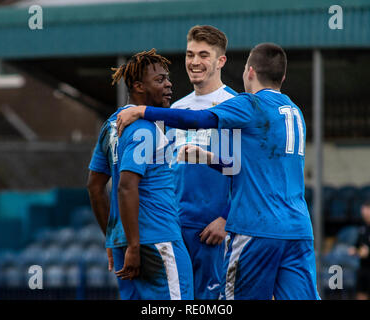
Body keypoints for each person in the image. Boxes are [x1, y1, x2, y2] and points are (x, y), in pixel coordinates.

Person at [115, 43, 321, 300]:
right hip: (298, 230)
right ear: (283, 77)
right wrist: (210, 159)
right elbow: (261, 167)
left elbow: (197, 119)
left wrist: (142, 110)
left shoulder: (251, 104)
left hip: (256, 230)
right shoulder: (294, 112)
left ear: (250, 72)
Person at [87, 49, 193, 300]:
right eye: (159, 80)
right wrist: (134, 245)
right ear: (138, 86)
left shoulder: (111, 125)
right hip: (158, 240)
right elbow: (125, 186)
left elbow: (94, 186)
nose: (168, 84)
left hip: (127, 244)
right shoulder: (143, 129)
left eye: (167, 78)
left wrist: (114, 240)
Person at [169, 25, 237, 300]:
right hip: (176, 227)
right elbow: (169, 169)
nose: (194, 62)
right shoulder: (176, 110)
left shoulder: (236, 107)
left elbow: (249, 172)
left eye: (203, 55)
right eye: (190, 54)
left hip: (214, 231)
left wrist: (226, 219)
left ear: (220, 61)